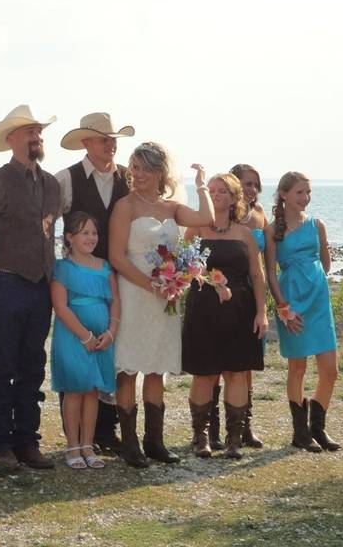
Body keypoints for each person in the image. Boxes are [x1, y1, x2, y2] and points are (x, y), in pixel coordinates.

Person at [108, 142, 214, 467]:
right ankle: (130, 445)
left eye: (144, 168)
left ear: (159, 172)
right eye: (134, 167)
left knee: (156, 367)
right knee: (128, 368)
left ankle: (155, 441)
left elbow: (206, 218)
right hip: (134, 293)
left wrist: (201, 185)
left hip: (165, 297)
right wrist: (150, 284)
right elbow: (116, 256)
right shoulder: (125, 207)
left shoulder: (171, 208)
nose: (136, 174)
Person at [0, 104, 60, 470]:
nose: (36, 136)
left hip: (41, 286)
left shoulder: (52, 184)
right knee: (3, 362)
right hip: (6, 283)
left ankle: (28, 440)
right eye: (29, 131)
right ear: (11, 139)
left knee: (33, 364)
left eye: (38, 131)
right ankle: (0, 444)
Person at [55, 111, 135, 453]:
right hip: (75, 280)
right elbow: (45, 224)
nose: (111, 146)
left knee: (112, 354)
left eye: (114, 140)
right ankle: (75, 438)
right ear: (86, 143)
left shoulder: (129, 179)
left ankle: (105, 431)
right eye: (104, 139)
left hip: (117, 276)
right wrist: (55, 270)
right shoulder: (66, 179)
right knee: (75, 358)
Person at [181, 173, 269, 459]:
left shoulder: (244, 233)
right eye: (213, 190)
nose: (216, 195)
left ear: (233, 198)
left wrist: (261, 312)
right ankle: (201, 437)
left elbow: (257, 275)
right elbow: (184, 269)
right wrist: (210, 280)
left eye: (222, 191)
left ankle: (233, 439)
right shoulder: (195, 230)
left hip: (240, 311)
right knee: (204, 374)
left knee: (236, 373)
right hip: (203, 309)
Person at [264, 171, 341, 453]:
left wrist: (313, 278)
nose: (305, 198)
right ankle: (300, 433)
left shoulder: (317, 225)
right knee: (298, 367)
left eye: (308, 192)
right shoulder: (272, 231)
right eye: (299, 192)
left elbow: (326, 263)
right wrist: (284, 308)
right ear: (283, 194)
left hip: (319, 300)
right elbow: (270, 273)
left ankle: (318, 428)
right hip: (291, 301)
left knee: (330, 370)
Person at [50, 212, 120, 469]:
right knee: (75, 390)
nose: (91, 238)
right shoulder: (62, 268)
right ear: (70, 237)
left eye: (94, 233)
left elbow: (115, 302)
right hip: (73, 336)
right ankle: (72, 446)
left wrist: (111, 332)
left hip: (102, 338)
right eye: (84, 233)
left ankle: (88, 445)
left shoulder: (103, 266)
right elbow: (60, 305)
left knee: (92, 391)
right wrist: (84, 336)